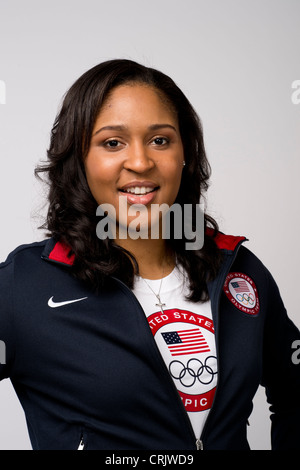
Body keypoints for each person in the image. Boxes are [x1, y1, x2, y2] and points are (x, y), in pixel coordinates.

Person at [0, 59, 299, 451]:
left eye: (160, 140)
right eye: (112, 143)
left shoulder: (238, 271)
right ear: (80, 158)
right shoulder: (25, 286)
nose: (140, 162)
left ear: (185, 153)